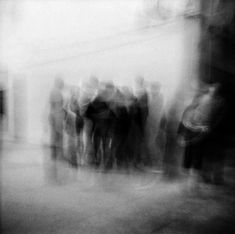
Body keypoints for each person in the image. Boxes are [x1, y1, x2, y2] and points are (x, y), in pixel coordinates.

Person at [49, 77, 65, 160]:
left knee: (54, 135)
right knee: (59, 135)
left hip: (53, 116)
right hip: (57, 116)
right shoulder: (57, 92)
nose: (63, 85)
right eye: (62, 83)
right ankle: (59, 155)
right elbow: (58, 106)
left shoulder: (53, 91)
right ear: (58, 83)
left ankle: (54, 155)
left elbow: (52, 106)